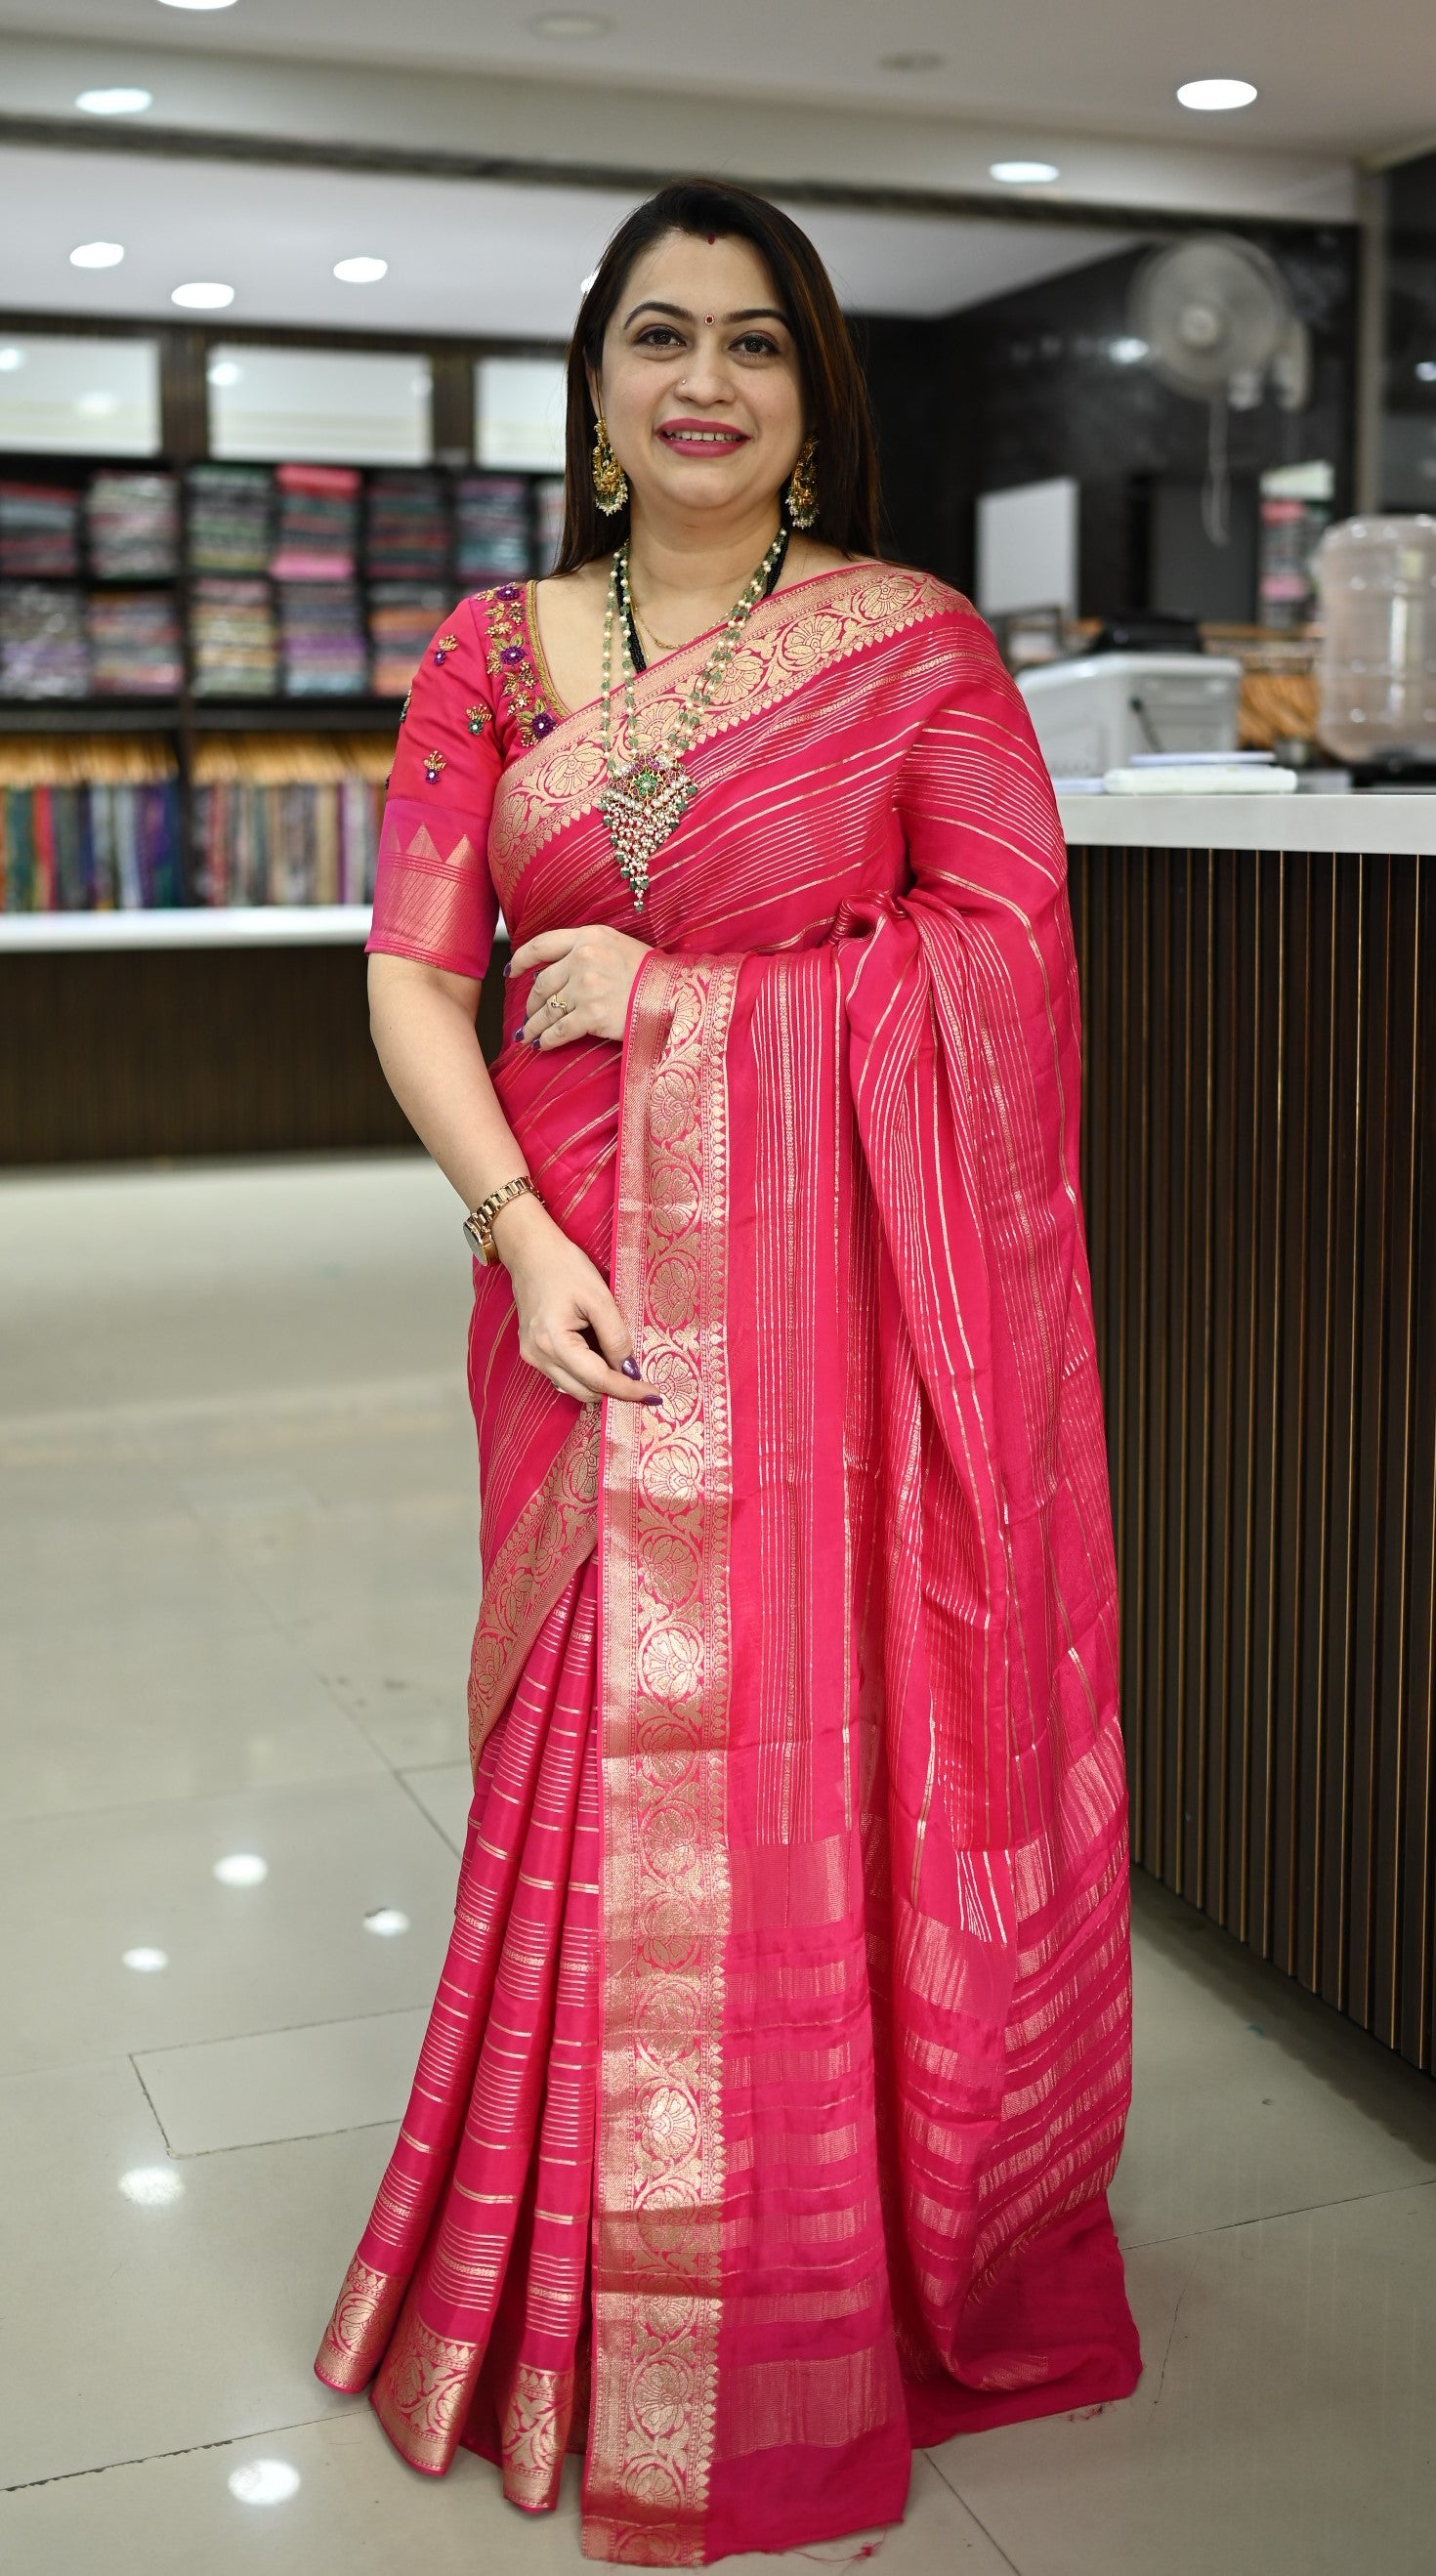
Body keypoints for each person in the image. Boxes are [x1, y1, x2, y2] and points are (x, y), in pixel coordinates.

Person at [315, 175, 1140, 2564]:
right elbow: (412, 970)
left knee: (802, 1739)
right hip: (574, 1264)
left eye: (756, 341)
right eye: (660, 334)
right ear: (594, 382)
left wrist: (693, 1004)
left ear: (812, 390)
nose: (706, 380)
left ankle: (803, 2264)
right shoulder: (490, 651)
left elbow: (1008, 970)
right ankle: (580, 2266)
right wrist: (513, 1222)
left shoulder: (913, 646)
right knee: (594, 1737)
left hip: (828, 1301)